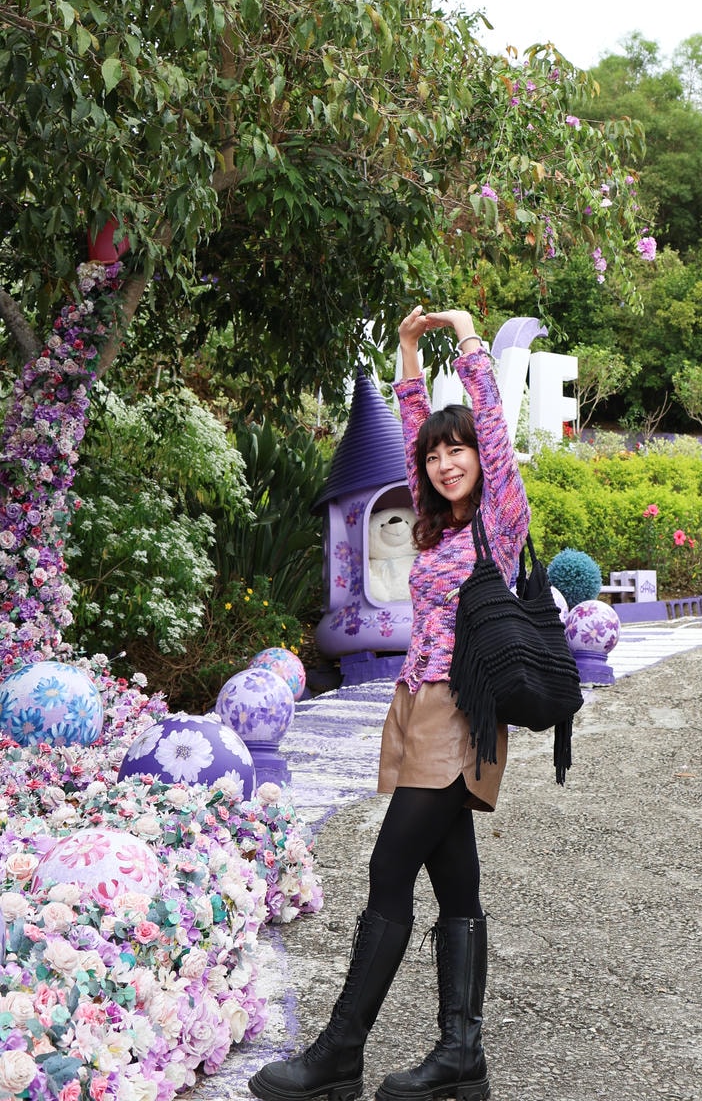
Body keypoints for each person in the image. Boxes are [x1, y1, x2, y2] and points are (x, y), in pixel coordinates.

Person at [249, 306, 528, 1101]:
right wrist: (407, 349)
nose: (445, 463)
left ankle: (340, 1052)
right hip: (412, 706)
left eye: (458, 449)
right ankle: (461, 1057)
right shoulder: (439, 531)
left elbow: (494, 429)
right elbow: (412, 432)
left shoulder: (500, 523)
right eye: (436, 454)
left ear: (482, 457)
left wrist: (467, 334)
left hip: (459, 710)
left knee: (387, 868)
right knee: (457, 888)